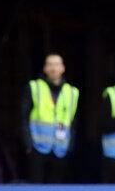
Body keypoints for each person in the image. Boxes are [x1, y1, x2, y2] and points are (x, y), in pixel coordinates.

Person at [21, 53, 79, 183]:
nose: (53, 68)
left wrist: (70, 145)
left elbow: (73, 122)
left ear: (63, 68)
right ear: (45, 68)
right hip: (37, 146)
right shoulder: (34, 87)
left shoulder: (72, 92)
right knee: (36, 185)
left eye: (57, 64)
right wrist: (28, 144)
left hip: (61, 147)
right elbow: (23, 117)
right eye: (50, 64)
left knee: (57, 187)